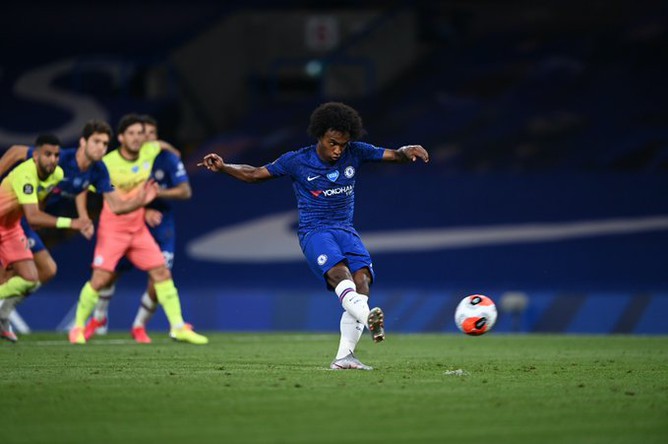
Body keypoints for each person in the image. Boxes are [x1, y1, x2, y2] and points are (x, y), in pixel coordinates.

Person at [198, 102, 429, 369]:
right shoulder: (297, 161)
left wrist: (407, 150)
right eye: (333, 143)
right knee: (340, 274)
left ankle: (344, 357)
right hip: (315, 231)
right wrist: (224, 166)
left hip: (345, 230)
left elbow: (395, 155)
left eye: (343, 144)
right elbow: (254, 174)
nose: (338, 150)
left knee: (363, 281)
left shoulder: (356, 152)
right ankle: (368, 319)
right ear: (320, 135)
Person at [0, 120, 160, 340]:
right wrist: (74, 220)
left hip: (29, 219)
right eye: (96, 141)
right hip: (24, 215)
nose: (101, 148)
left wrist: (141, 201)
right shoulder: (58, 158)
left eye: (105, 144)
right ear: (83, 142)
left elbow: (115, 205)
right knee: (9, 272)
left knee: (46, 271)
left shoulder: (99, 170)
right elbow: (16, 151)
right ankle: (3, 316)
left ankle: (4, 311)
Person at [68, 113, 207, 345]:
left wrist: (173, 150)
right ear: (121, 137)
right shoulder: (107, 164)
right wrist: (83, 217)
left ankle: (178, 327)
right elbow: (87, 190)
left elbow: (162, 146)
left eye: (140, 134)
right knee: (100, 279)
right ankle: (78, 327)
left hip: (138, 229)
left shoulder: (149, 150)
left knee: (162, 273)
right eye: (130, 133)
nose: (136, 138)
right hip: (113, 230)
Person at [0, 135, 93, 342]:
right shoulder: (25, 174)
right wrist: (72, 223)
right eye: (47, 154)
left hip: (11, 227)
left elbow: (42, 202)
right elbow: (33, 217)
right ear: (35, 156)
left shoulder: (57, 174)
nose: (52, 159)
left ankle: (2, 315)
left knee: (30, 279)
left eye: (56, 155)